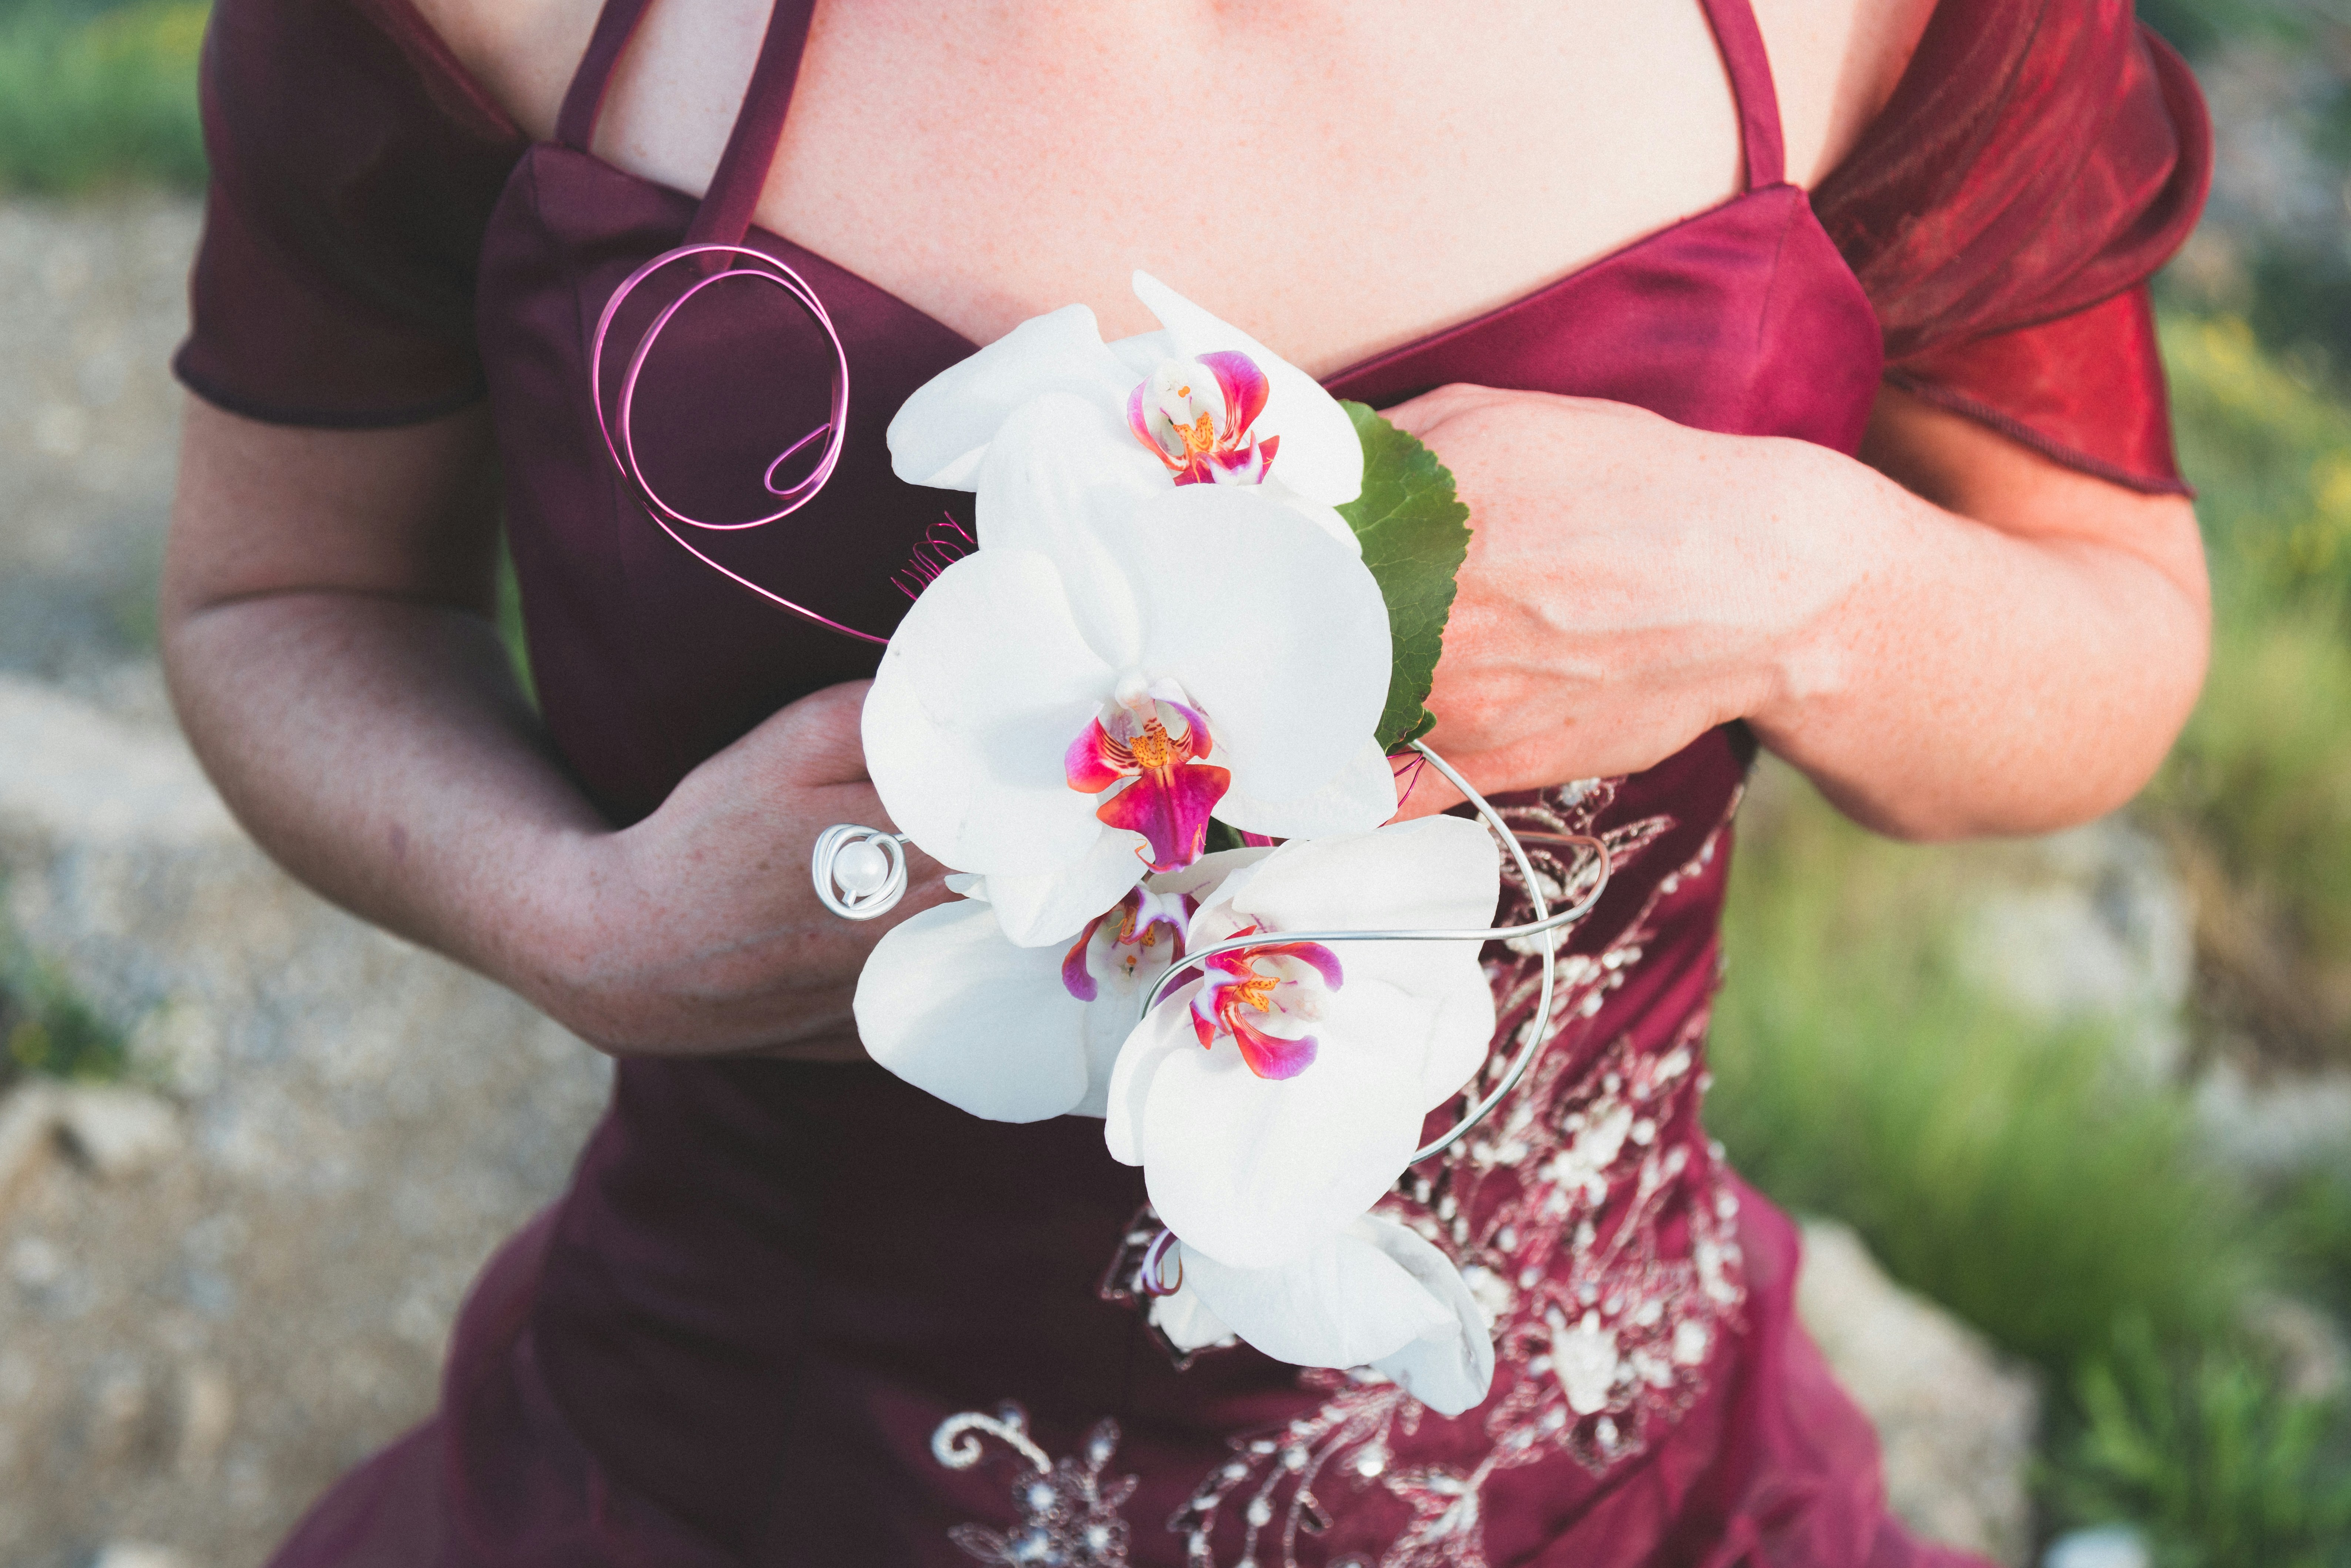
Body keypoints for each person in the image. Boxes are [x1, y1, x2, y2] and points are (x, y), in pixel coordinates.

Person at [162, 0, 2210, 1562]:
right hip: (768, 1470)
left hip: (1603, 1481)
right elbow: (277, 592)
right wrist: (581, 921)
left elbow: (2115, 640)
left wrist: (1797, 582)